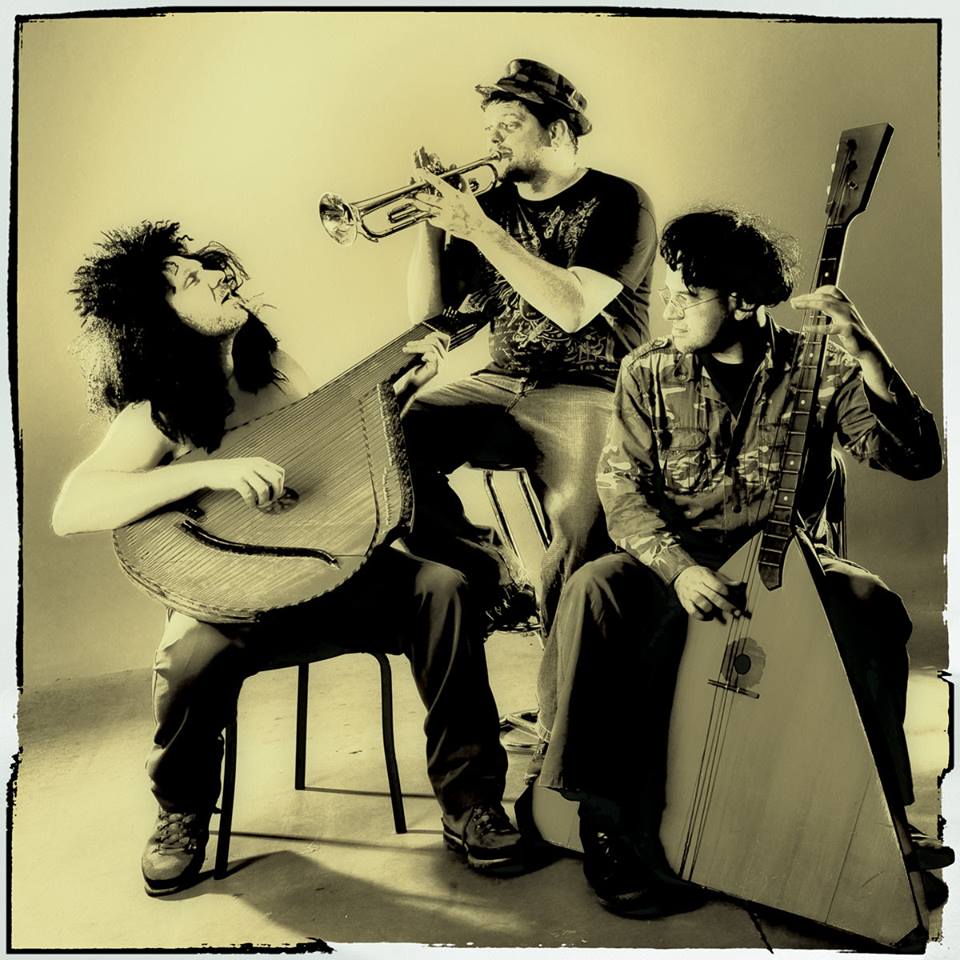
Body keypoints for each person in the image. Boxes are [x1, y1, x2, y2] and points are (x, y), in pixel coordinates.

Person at [52, 221, 527, 897]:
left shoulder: (279, 377)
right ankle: (181, 811)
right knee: (186, 657)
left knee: (442, 587)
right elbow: (72, 508)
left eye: (206, 266)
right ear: (156, 320)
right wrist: (208, 472)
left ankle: (472, 803)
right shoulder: (156, 416)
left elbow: (337, 472)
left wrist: (398, 400)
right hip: (233, 603)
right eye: (188, 280)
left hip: (329, 576)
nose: (216, 275)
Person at [528, 208, 949, 918]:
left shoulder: (819, 367)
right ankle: (606, 824)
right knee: (594, 587)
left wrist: (870, 355)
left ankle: (881, 818)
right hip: (678, 558)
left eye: (688, 296)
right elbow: (621, 489)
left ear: (744, 301)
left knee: (873, 605)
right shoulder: (646, 371)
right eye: (667, 293)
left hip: (786, 563)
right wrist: (677, 568)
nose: (669, 310)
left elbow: (915, 459)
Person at [402, 58, 658, 638]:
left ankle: (564, 681)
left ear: (558, 131)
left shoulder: (620, 201)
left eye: (510, 125)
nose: (493, 140)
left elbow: (573, 307)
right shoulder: (492, 208)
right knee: (394, 449)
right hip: (500, 383)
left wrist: (477, 228)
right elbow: (430, 316)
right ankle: (494, 578)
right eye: (488, 128)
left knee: (583, 524)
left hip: (591, 389)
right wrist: (431, 226)